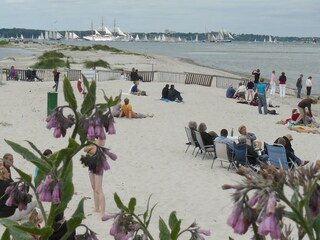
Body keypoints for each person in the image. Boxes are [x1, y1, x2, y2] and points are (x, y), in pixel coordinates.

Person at [84, 138, 107, 220]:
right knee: (93, 187)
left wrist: (91, 145)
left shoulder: (100, 134)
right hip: (91, 164)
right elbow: (85, 149)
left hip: (98, 164)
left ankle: (102, 212)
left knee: (98, 189)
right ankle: (97, 207)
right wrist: (90, 146)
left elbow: (97, 147)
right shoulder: (90, 135)